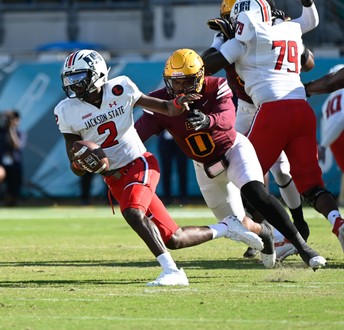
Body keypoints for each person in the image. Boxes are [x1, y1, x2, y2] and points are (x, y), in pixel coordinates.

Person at [54, 49, 264, 286]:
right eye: (69, 78)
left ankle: (172, 271)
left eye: (79, 76)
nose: (74, 84)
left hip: (139, 163)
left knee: (134, 213)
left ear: (98, 73)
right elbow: (75, 166)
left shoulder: (121, 88)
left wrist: (178, 103)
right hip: (113, 178)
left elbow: (164, 108)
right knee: (174, 238)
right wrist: (84, 163)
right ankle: (227, 227)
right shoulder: (65, 111)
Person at [135, 48, 318, 269]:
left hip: (233, 149)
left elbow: (227, 119)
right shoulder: (161, 102)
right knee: (236, 225)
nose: (181, 88)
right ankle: (266, 233)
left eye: (187, 82)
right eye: (176, 82)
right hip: (204, 166)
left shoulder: (216, 86)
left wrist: (207, 121)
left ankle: (302, 246)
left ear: (201, 77)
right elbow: (138, 134)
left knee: (256, 192)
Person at [202, 0, 343, 256]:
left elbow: (202, 67)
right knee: (310, 183)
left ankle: (278, 235)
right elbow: (309, 23)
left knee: (249, 177)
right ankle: (336, 221)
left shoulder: (245, 37)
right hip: (294, 105)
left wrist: (219, 43)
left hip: (268, 108)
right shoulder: (286, 30)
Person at [0, 110, 25, 207]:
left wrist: (11, 129)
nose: (11, 121)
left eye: (14, 119)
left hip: (15, 168)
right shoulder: (0, 131)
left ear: (18, 120)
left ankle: (10, 198)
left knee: (10, 203)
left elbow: (16, 145)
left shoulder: (21, 134)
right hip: (1, 165)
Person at [318, 64, 344, 208]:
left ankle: (341, 200)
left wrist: (324, 144)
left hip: (333, 139)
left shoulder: (327, 103)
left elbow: (327, 124)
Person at [158, 130, 189, 205]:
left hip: (181, 139)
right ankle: (167, 197)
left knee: (182, 169)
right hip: (165, 140)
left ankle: (183, 197)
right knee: (166, 169)